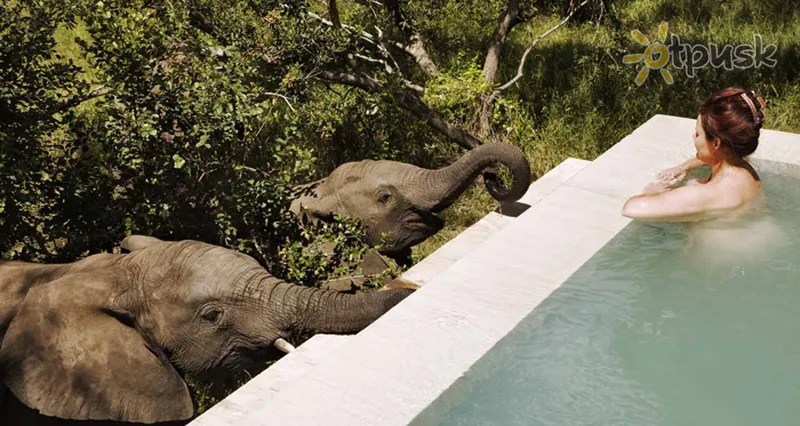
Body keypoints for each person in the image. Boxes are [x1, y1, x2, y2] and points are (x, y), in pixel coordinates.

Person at [622, 87, 767, 222]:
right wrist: (684, 167)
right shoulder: (744, 170)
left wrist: (653, 192)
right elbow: (716, 156)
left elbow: (631, 208)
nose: (693, 137)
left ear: (716, 143)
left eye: (697, 134)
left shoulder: (711, 192)